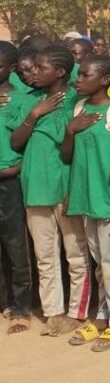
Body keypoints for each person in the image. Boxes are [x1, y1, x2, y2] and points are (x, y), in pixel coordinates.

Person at [8, 44, 90, 337]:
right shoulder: (30, 100)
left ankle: (77, 311)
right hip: (35, 187)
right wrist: (35, 113)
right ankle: (53, 311)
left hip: (65, 186)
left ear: (60, 72)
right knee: (45, 255)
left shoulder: (76, 103)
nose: (33, 73)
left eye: (42, 68)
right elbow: (16, 142)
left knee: (75, 253)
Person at [61, 55, 110, 351]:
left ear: (104, 80)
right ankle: (103, 315)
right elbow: (67, 156)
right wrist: (70, 130)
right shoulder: (78, 109)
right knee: (100, 265)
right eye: (78, 74)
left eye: (84, 75)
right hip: (85, 199)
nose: (78, 79)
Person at [0, 42, 33, 333]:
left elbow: (30, 144)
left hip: (10, 180)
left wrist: (16, 168)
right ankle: (4, 302)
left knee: (15, 245)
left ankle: (22, 306)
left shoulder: (23, 99)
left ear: (11, 69)